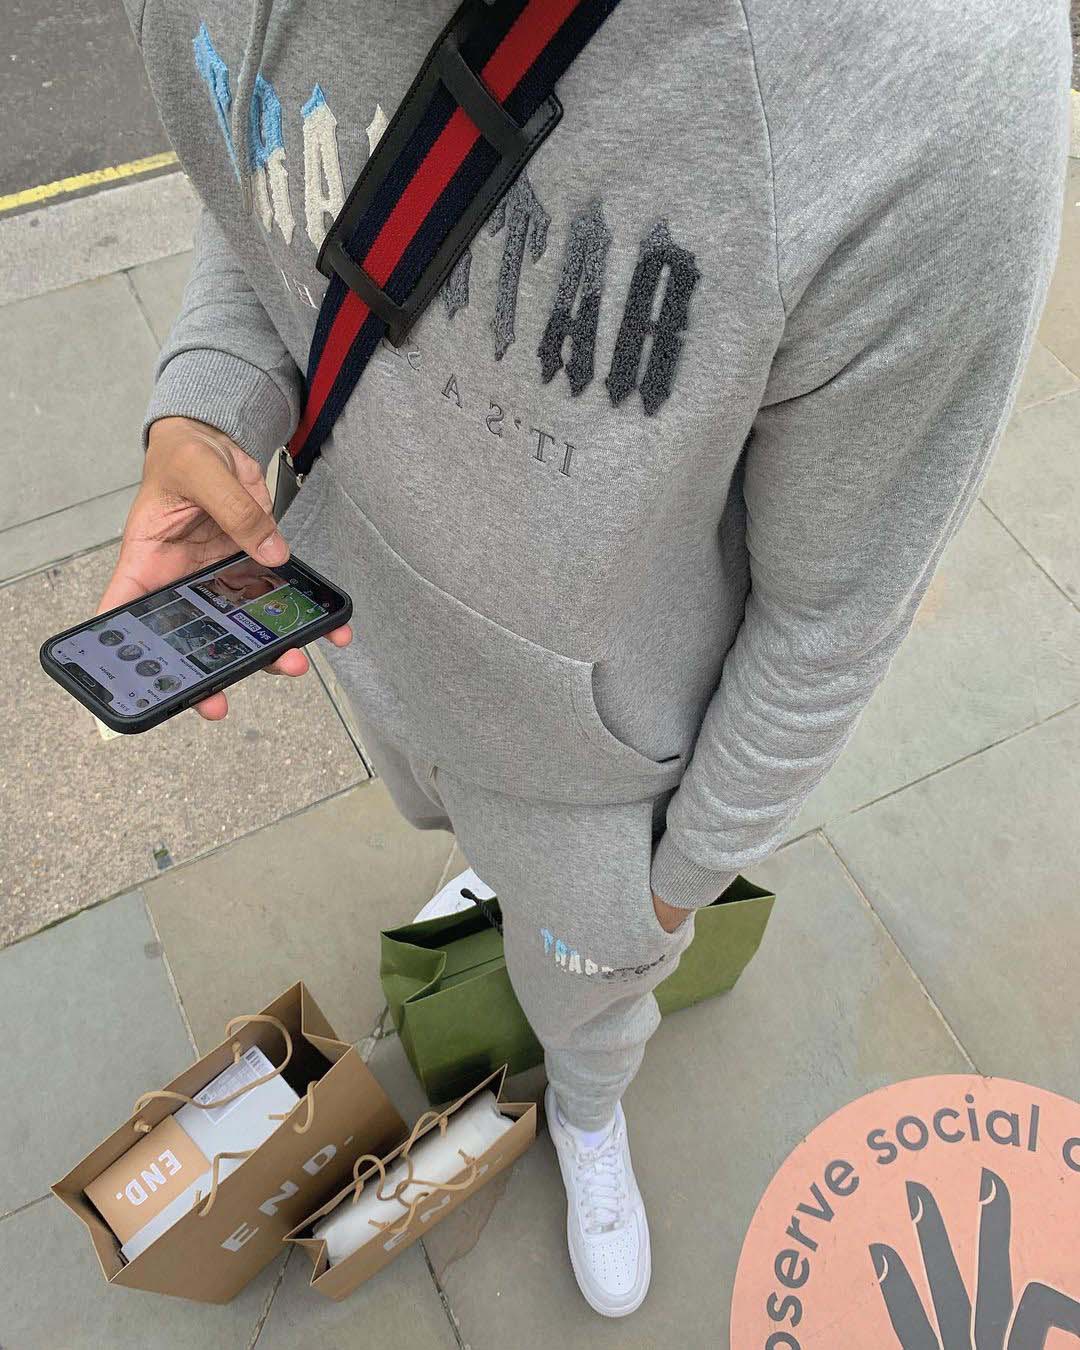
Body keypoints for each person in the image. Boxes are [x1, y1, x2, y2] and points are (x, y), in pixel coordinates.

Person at [102, 0, 1069, 1319]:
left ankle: (590, 1108)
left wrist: (669, 890)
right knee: (458, 827)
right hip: (370, 635)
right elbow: (276, 159)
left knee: (586, 994)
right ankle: (508, 889)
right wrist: (212, 397)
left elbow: (834, 618)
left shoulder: (941, 77)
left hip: (597, 777)